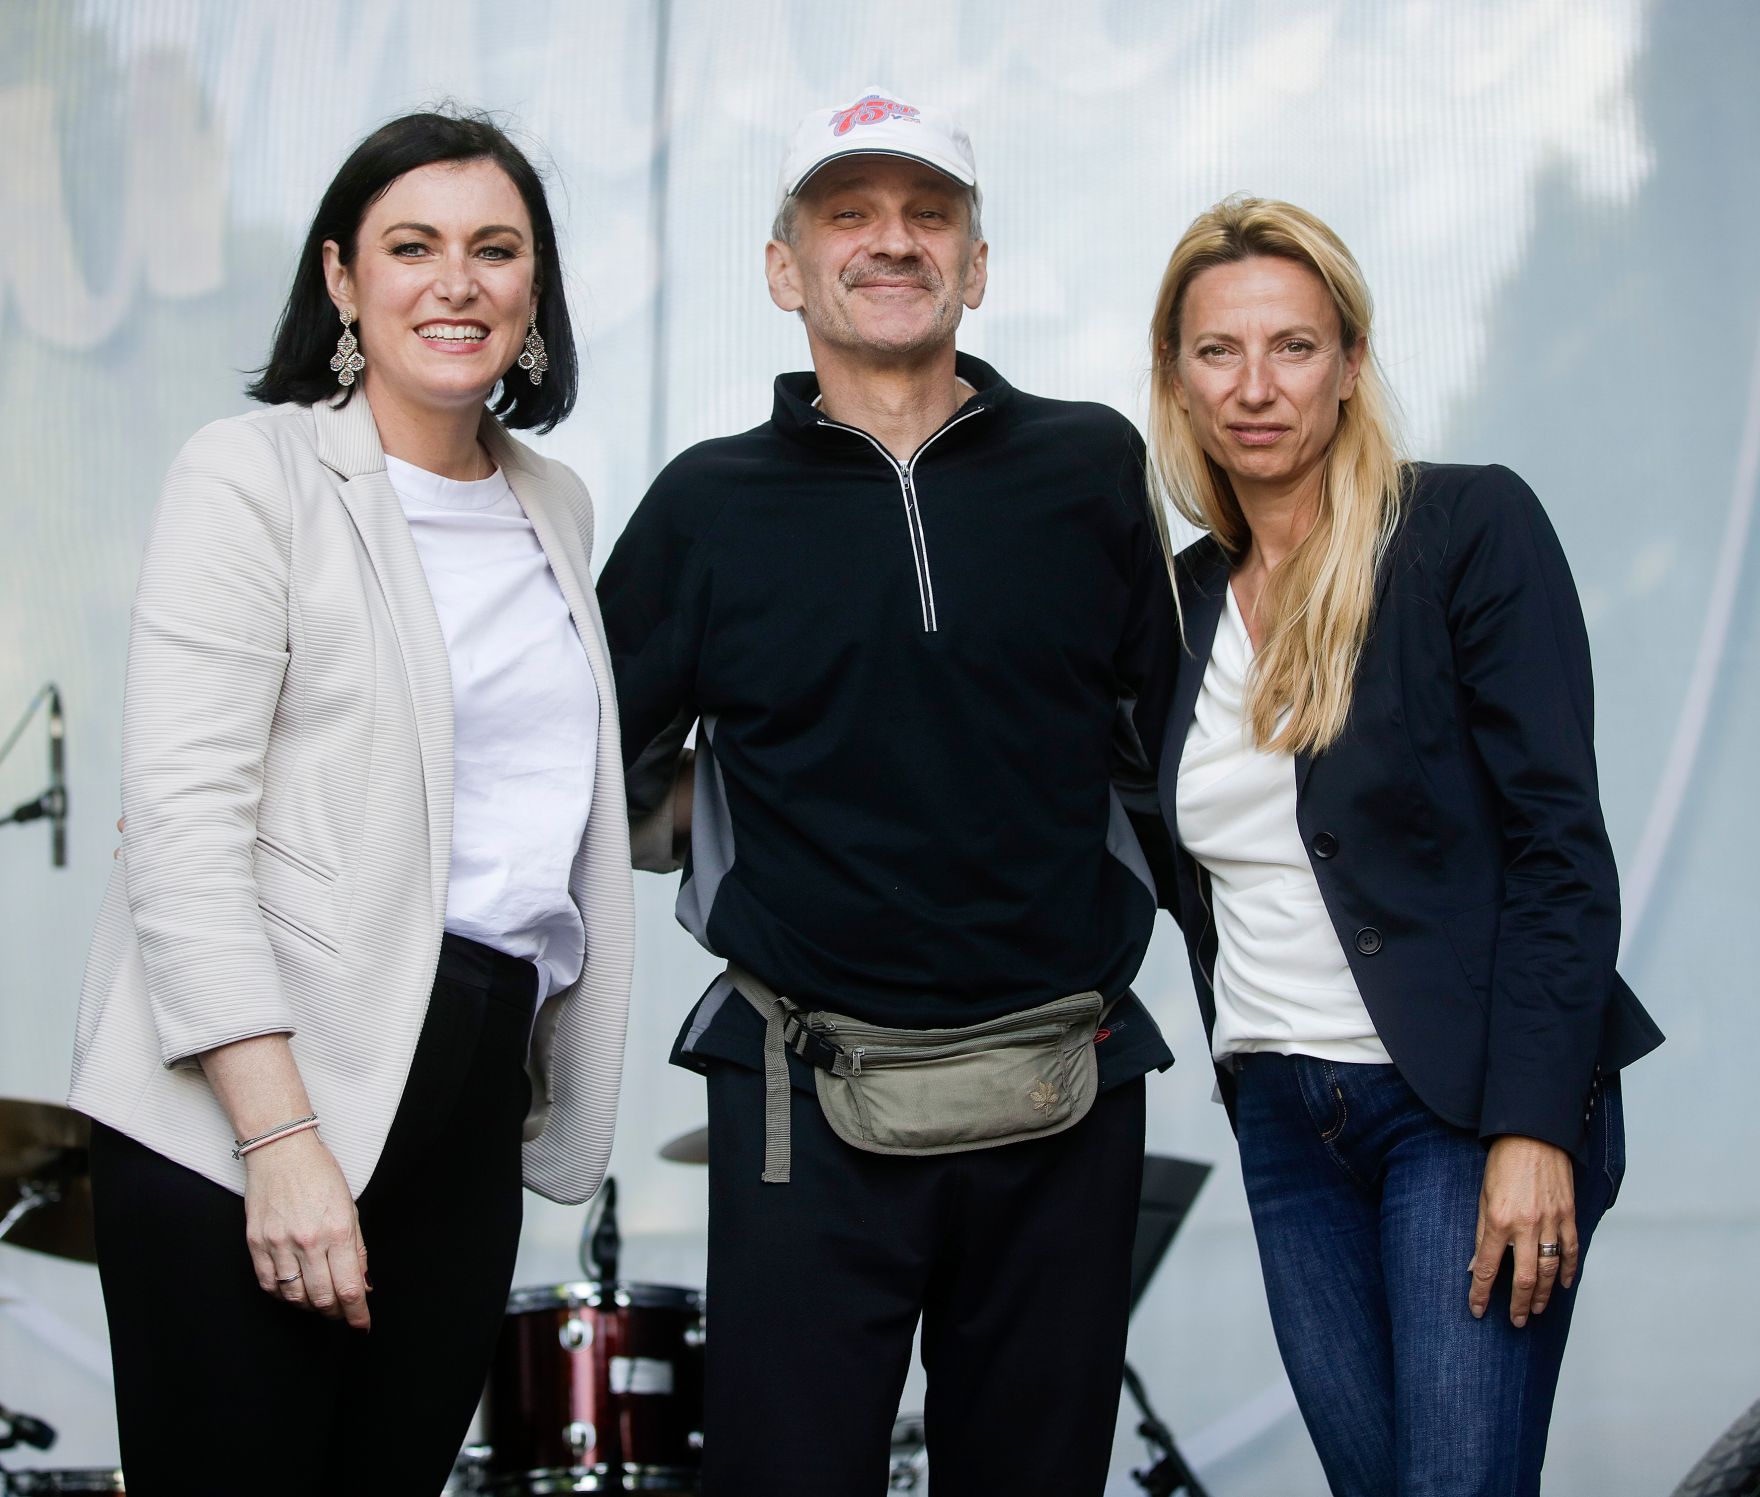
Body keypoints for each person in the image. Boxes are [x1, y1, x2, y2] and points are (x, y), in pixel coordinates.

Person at [598, 90, 1176, 1495]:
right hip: (805, 1085)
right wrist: (727, 827)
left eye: (929, 216)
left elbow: (1167, 754)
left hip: (1064, 1078)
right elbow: (579, 765)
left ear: (976, 266)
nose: (892, 242)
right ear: (786, 268)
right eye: (847, 215)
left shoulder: (1092, 467)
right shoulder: (706, 505)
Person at [67, 110, 633, 1496]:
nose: (458, 282)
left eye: (496, 250)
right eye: (412, 246)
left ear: (536, 289)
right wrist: (280, 1140)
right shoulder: (251, 476)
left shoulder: (554, 501)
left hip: (467, 1083)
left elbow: (530, 802)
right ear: (341, 278)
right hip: (255, 1095)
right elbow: (185, 829)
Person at [1145, 195, 1664, 1495]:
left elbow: (1560, 847)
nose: (1256, 386)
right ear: (1178, 377)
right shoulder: (1176, 606)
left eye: (1294, 346)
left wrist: (1534, 1125)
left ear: (1352, 364)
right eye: (1219, 351)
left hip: (1461, 1109)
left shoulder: (1464, 535)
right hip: (1281, 1117)